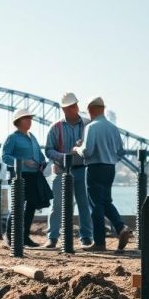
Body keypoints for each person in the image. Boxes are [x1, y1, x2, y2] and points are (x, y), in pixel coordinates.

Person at [73, 96, 132, 252]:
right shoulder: (113, 128)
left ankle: (99, 243)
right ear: (103, 109)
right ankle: (121, 228)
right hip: (110, 168)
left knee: (96, 205)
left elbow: (88, 151)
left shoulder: (91, 127)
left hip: (95, 168)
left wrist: (77, 148)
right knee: (106, 202)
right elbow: (121, 152)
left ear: (91, 110)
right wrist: (111, 158)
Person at [43, 92, 94, 249]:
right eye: (68, 107)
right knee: (57, 205)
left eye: (73, 106)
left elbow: (93, 147)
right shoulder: (55, 127)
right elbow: (48, 150)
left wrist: (81, 147)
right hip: (61, 170)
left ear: (77, 106)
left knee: (84, 203)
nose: (72, 109)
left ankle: (86, 237)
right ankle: (52, 238)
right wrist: (64, 157)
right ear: (63, 109)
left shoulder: (88, 125)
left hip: (82, 169)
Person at [1, 108, 51, 247]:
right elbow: (5, 157)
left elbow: (40, 155)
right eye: (26, 118)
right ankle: (10, 236)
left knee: (31, 206)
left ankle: (24, 237)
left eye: (30, 118)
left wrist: (42, 163)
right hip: (19, 176)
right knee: (17, 205)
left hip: (34, 176)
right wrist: (23, 162)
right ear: (18, 121)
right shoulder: (12, 137)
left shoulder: (32, 137)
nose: (30, 120)